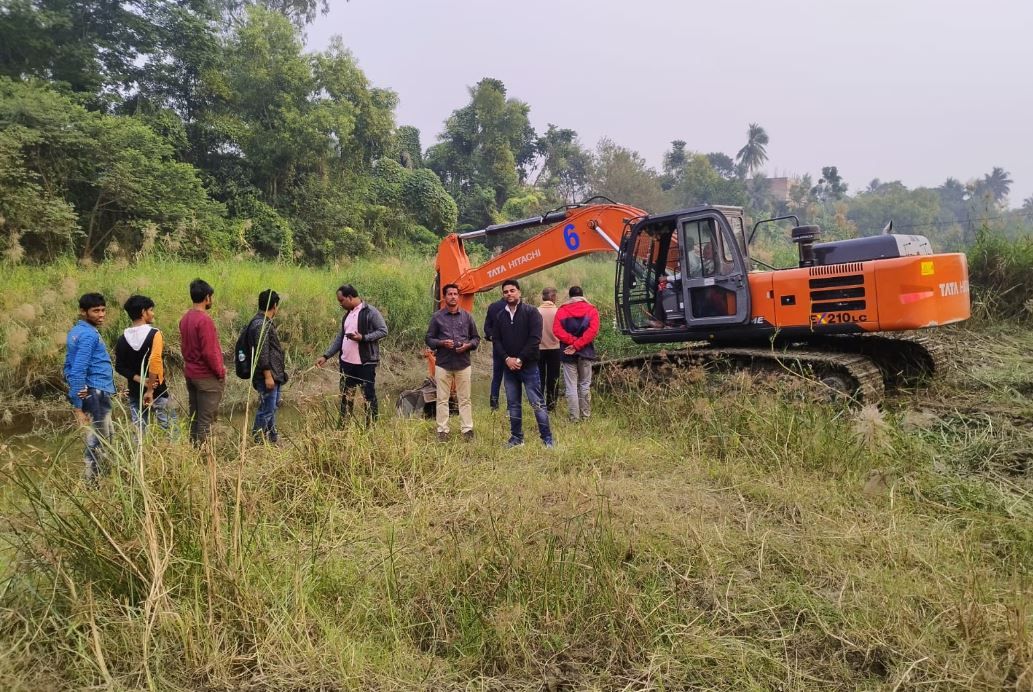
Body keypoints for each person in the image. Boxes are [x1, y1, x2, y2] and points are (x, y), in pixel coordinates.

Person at [493, 279, 554, 448]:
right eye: (505, 292)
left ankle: (547, 439)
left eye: (512, 290)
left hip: (529, 367)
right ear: (503, 295)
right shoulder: (500, 316)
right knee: (513, 404)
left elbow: (535, 339)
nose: (509, 294)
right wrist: (507, 359)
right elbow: (496, 341)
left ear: (519, 292)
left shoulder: (531, 312)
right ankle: (517, 438)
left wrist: (519, 359)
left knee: (537, 403)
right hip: (509, 368)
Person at [316, 284, 388, 423]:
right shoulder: (347, 315)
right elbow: (340, 338)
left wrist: (363, 338)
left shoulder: (370, 312)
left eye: (341, 300)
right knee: (346, 397)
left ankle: (371, 428)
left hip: (365, 364)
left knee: (369, 397)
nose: (340, 304)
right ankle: (343, 428)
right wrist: (326, 356)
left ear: (350, 297)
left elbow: (383, 330)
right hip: (347, 364)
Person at [64, 293, 116, 481]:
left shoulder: (77, 332)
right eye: (96, 311)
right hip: (96, 393)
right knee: (98, 441)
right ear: (83, 311)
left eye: (103, 310)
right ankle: (92, 485)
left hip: (96, 392)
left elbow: (68, 367)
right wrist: (77, 407)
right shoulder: (87, 335)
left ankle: (106, 482)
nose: (101, 314)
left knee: (107, 437)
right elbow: (77, 370)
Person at [114, 294, 176, 438]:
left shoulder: (123, 338)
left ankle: (140, 459)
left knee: (139, 430)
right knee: (169, 428)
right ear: (143, 312)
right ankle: (174, 457)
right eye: (151, 310)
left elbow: (119, 366)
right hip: (157, 390)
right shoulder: (155, 334)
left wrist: (140, 379)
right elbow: (155, 361)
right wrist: (149, 390)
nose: (153, 313)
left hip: (135, 391)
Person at [425, 283, 480, 442]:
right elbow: (429, 339)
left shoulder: (467, 316)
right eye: (450, 294)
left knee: (465, 398)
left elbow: (476, 338)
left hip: (463, 363)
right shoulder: (437, 317)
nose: (453, 297)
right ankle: (442, 430)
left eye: (456, 294)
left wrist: (468, 345)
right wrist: (442, 343)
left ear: (459, 296)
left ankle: (467, 430)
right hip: (443, 363)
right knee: (442, 398)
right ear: (444, 297)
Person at [179, 278, 225, 447]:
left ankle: (193, 453)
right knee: (206, 420)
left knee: (195, 417)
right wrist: (220, 372)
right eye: (211, 297)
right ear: (207, 297)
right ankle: (203, 457)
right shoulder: (204, 320)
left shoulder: (185, 319)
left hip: (191, 373)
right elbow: (209, 352)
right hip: (206, 376)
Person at [553, 285, 601, 422]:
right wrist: (578, 344)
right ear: (582, 295)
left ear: (570, 296)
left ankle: (574, 418)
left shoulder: (562, 310)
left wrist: (573, 344)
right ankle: (586, 416)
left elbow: (556, 330)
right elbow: (593, 331)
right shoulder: (591, 310)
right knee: (585, 385)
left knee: (571, 386)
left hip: (568, 353)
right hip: (585, 352)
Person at [247, 289, 287, 444]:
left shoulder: (261, 322)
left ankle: (272, 438)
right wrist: (268, 376)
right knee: (266, 410)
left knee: (271, 408)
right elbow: (262, 352)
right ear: (274, 306)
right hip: (267, 376)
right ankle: (257, 441)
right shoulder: (261, 325)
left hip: (272, 375)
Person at [537, 287, 561, 411]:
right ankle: (551, 406)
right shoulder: (558, 311)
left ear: (543, 298)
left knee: (539, 378)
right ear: (553, 297)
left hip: (539, 349)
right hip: (555, 349)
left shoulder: (536, 312)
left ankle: (539, 405)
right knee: (553, 378)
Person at [482, 295, 508, 411]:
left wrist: (493, 337)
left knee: (497, 377)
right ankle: (510, 407)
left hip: (497, 347)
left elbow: (487, 327)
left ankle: (494, 406)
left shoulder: (493, 307)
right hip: (512, 348)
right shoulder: (516, 307)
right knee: (510, 377)